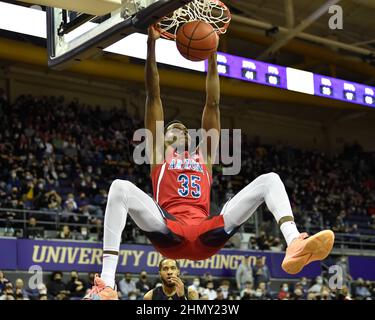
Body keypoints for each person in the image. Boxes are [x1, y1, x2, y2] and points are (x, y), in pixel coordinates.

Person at [84, 25, 335, 299]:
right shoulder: (158, 154)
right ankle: (107, 283)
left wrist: (212, 53)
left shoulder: (204, 156)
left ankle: (294, 243)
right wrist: (151, 46)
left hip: (206, 232)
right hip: (170, 228)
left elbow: (212, 103)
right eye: (172, 128)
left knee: (271, 179)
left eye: (182, 129)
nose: (178, 130)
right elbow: (153, 94)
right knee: (120, 187)